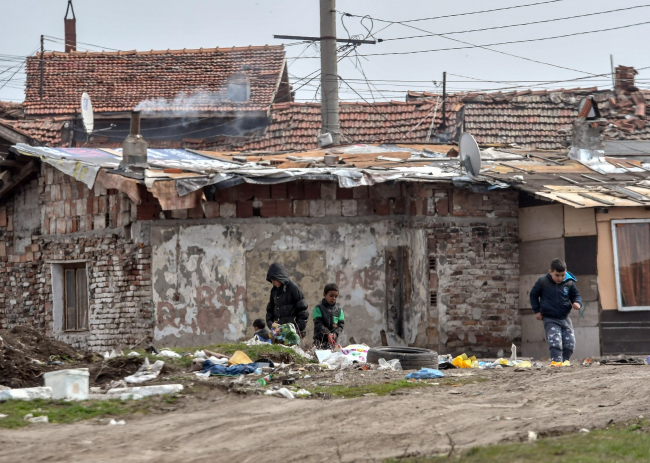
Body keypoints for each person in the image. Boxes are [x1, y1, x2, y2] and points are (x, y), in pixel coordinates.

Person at [529, 258, 582, 367]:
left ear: (566, 272)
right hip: (550, 318)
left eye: (562, 275)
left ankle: (565, 361)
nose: (560, 278)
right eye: (557, 275)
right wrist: (537, 311)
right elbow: (533, 295)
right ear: (550, 272)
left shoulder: (569, 282)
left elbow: (576, 295)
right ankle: (557, 362)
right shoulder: (543, 282)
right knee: (555, 341)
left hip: (564, 318)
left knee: (570, 343)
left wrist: (577, 302)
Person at [265, 263, 309, 338]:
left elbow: (303, 310)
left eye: (274, 280)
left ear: (279, 277)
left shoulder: (293, 288)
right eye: (271, 281)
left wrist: (299, 329)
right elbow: (270, 309)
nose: (273, 283)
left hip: (292, 332)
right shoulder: (274, 291)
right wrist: (270, 323)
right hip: (279, 331)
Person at [313, 283, 345, 349]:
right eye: (331, 296)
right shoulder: (318, 308)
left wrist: (335, 334)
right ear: (324, 295)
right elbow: (318, 324)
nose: (333, 298)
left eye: (336, 296)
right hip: (319, 343)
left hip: (332, 344)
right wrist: (328, 334)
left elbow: (340, 326)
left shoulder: (339, 311)